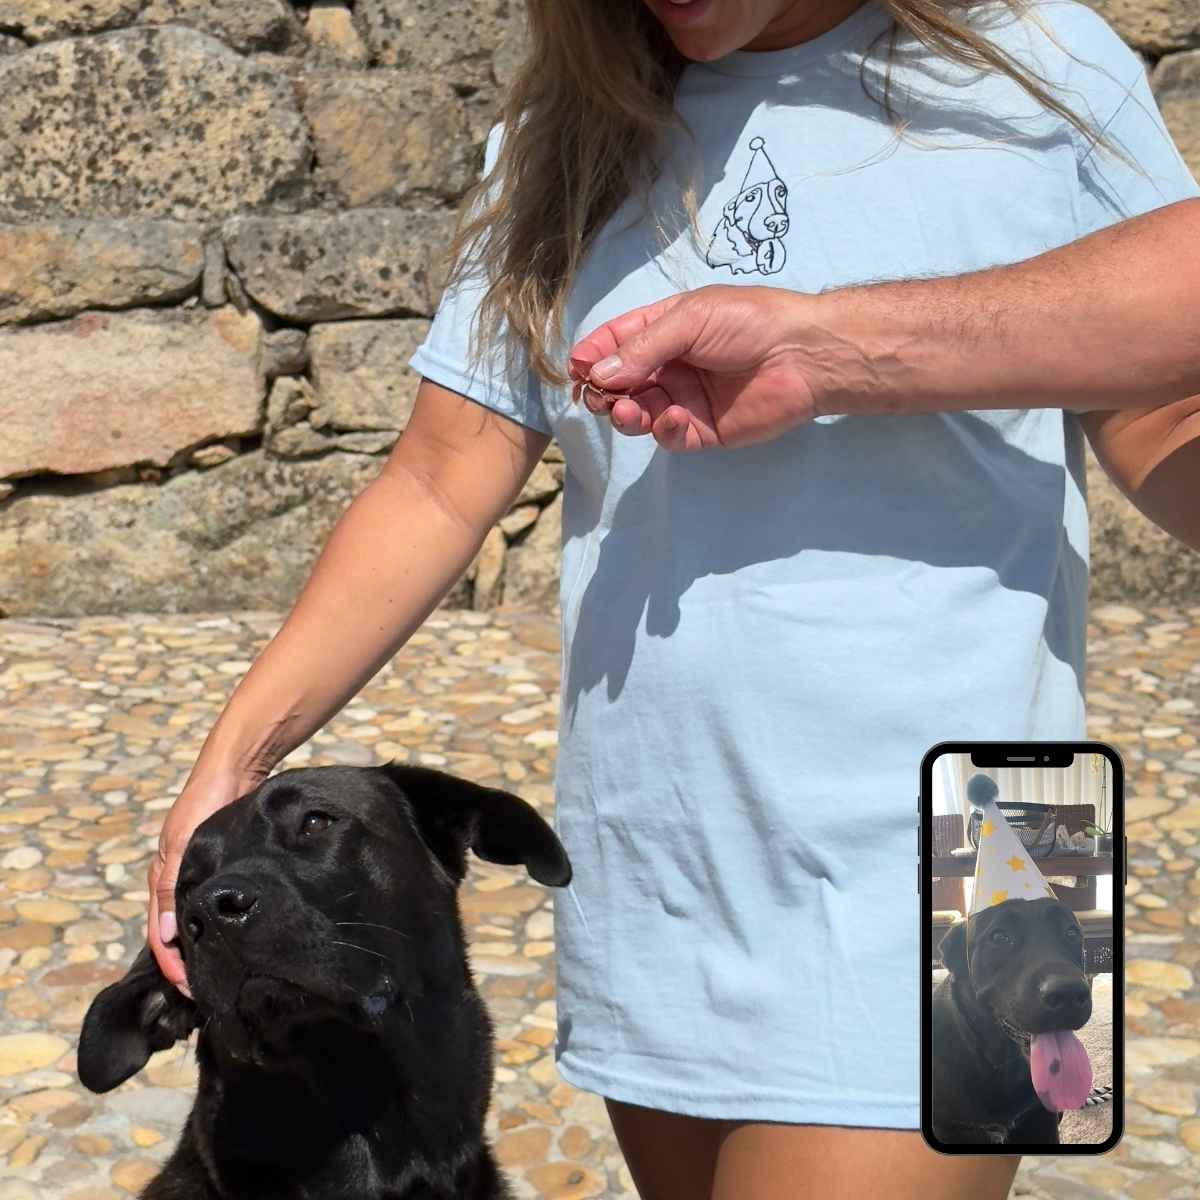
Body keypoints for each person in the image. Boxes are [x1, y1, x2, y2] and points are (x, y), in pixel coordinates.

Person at [149, 0, 1199, 1196]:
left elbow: (1169, 403)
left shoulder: (1042, 57)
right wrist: (229, 761)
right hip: (664, 852)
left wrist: (838, 348)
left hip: (983, 845)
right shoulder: (570, 130)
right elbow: (442, 479)